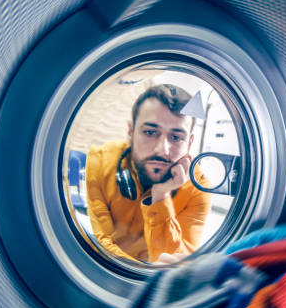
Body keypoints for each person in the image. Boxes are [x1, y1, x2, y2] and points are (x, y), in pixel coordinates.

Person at [86, 84, 211, 264]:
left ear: (189, 143)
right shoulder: (99, 162)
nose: (162, 149)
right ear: (131, 132)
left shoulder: (198, 189)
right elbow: (100, 243)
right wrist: (140, 273)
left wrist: (161, 196)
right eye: (150, 132)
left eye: (176, 137)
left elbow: (175, 262)